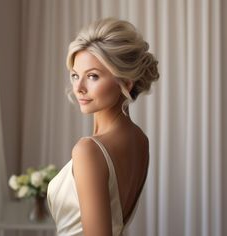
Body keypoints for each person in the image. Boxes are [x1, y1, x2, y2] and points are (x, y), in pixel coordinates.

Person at [47, 17, 159, 236]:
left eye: (93, 76)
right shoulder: (140, 140)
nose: (78, 87)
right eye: (75, 75)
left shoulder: (89, 150)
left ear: (126, 82)